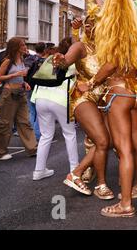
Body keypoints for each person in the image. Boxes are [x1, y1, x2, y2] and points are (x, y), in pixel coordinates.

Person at [79, 0, 137, 217]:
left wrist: (91, 83)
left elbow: (109, 65)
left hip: (119, 94)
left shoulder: (113, 37)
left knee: (124, 150)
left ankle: (126, 204)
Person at [54, 0, 114, 200]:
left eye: (95, 24)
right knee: (103, 141)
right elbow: (66, 60)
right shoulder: (81, 47)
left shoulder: (108, 50)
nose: (91, 28)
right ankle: (90, 179)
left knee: (104, 142)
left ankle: (86, 175)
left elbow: (106, 12)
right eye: (87, 25)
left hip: (104, 101)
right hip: (83, 98)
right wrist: (61, 61)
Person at [32, 37, 78, 180]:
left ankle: (39, 170)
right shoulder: (74, 62)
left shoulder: (51, 58)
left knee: (46, 135)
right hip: (60, 100)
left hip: (40, 98)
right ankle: (75, 170)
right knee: (69, 134)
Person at [0, 37, 37, 160]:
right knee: (5, 123)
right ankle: (0, 153)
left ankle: (33, 148)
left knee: (25, 122)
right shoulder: (8, 61)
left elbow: (21, 77)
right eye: (22, 45)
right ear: (16, 47)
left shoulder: (22, 60)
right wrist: (15, 74)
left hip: (21, 92)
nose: (25, 47)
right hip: (9, 93)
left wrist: (24, 83)